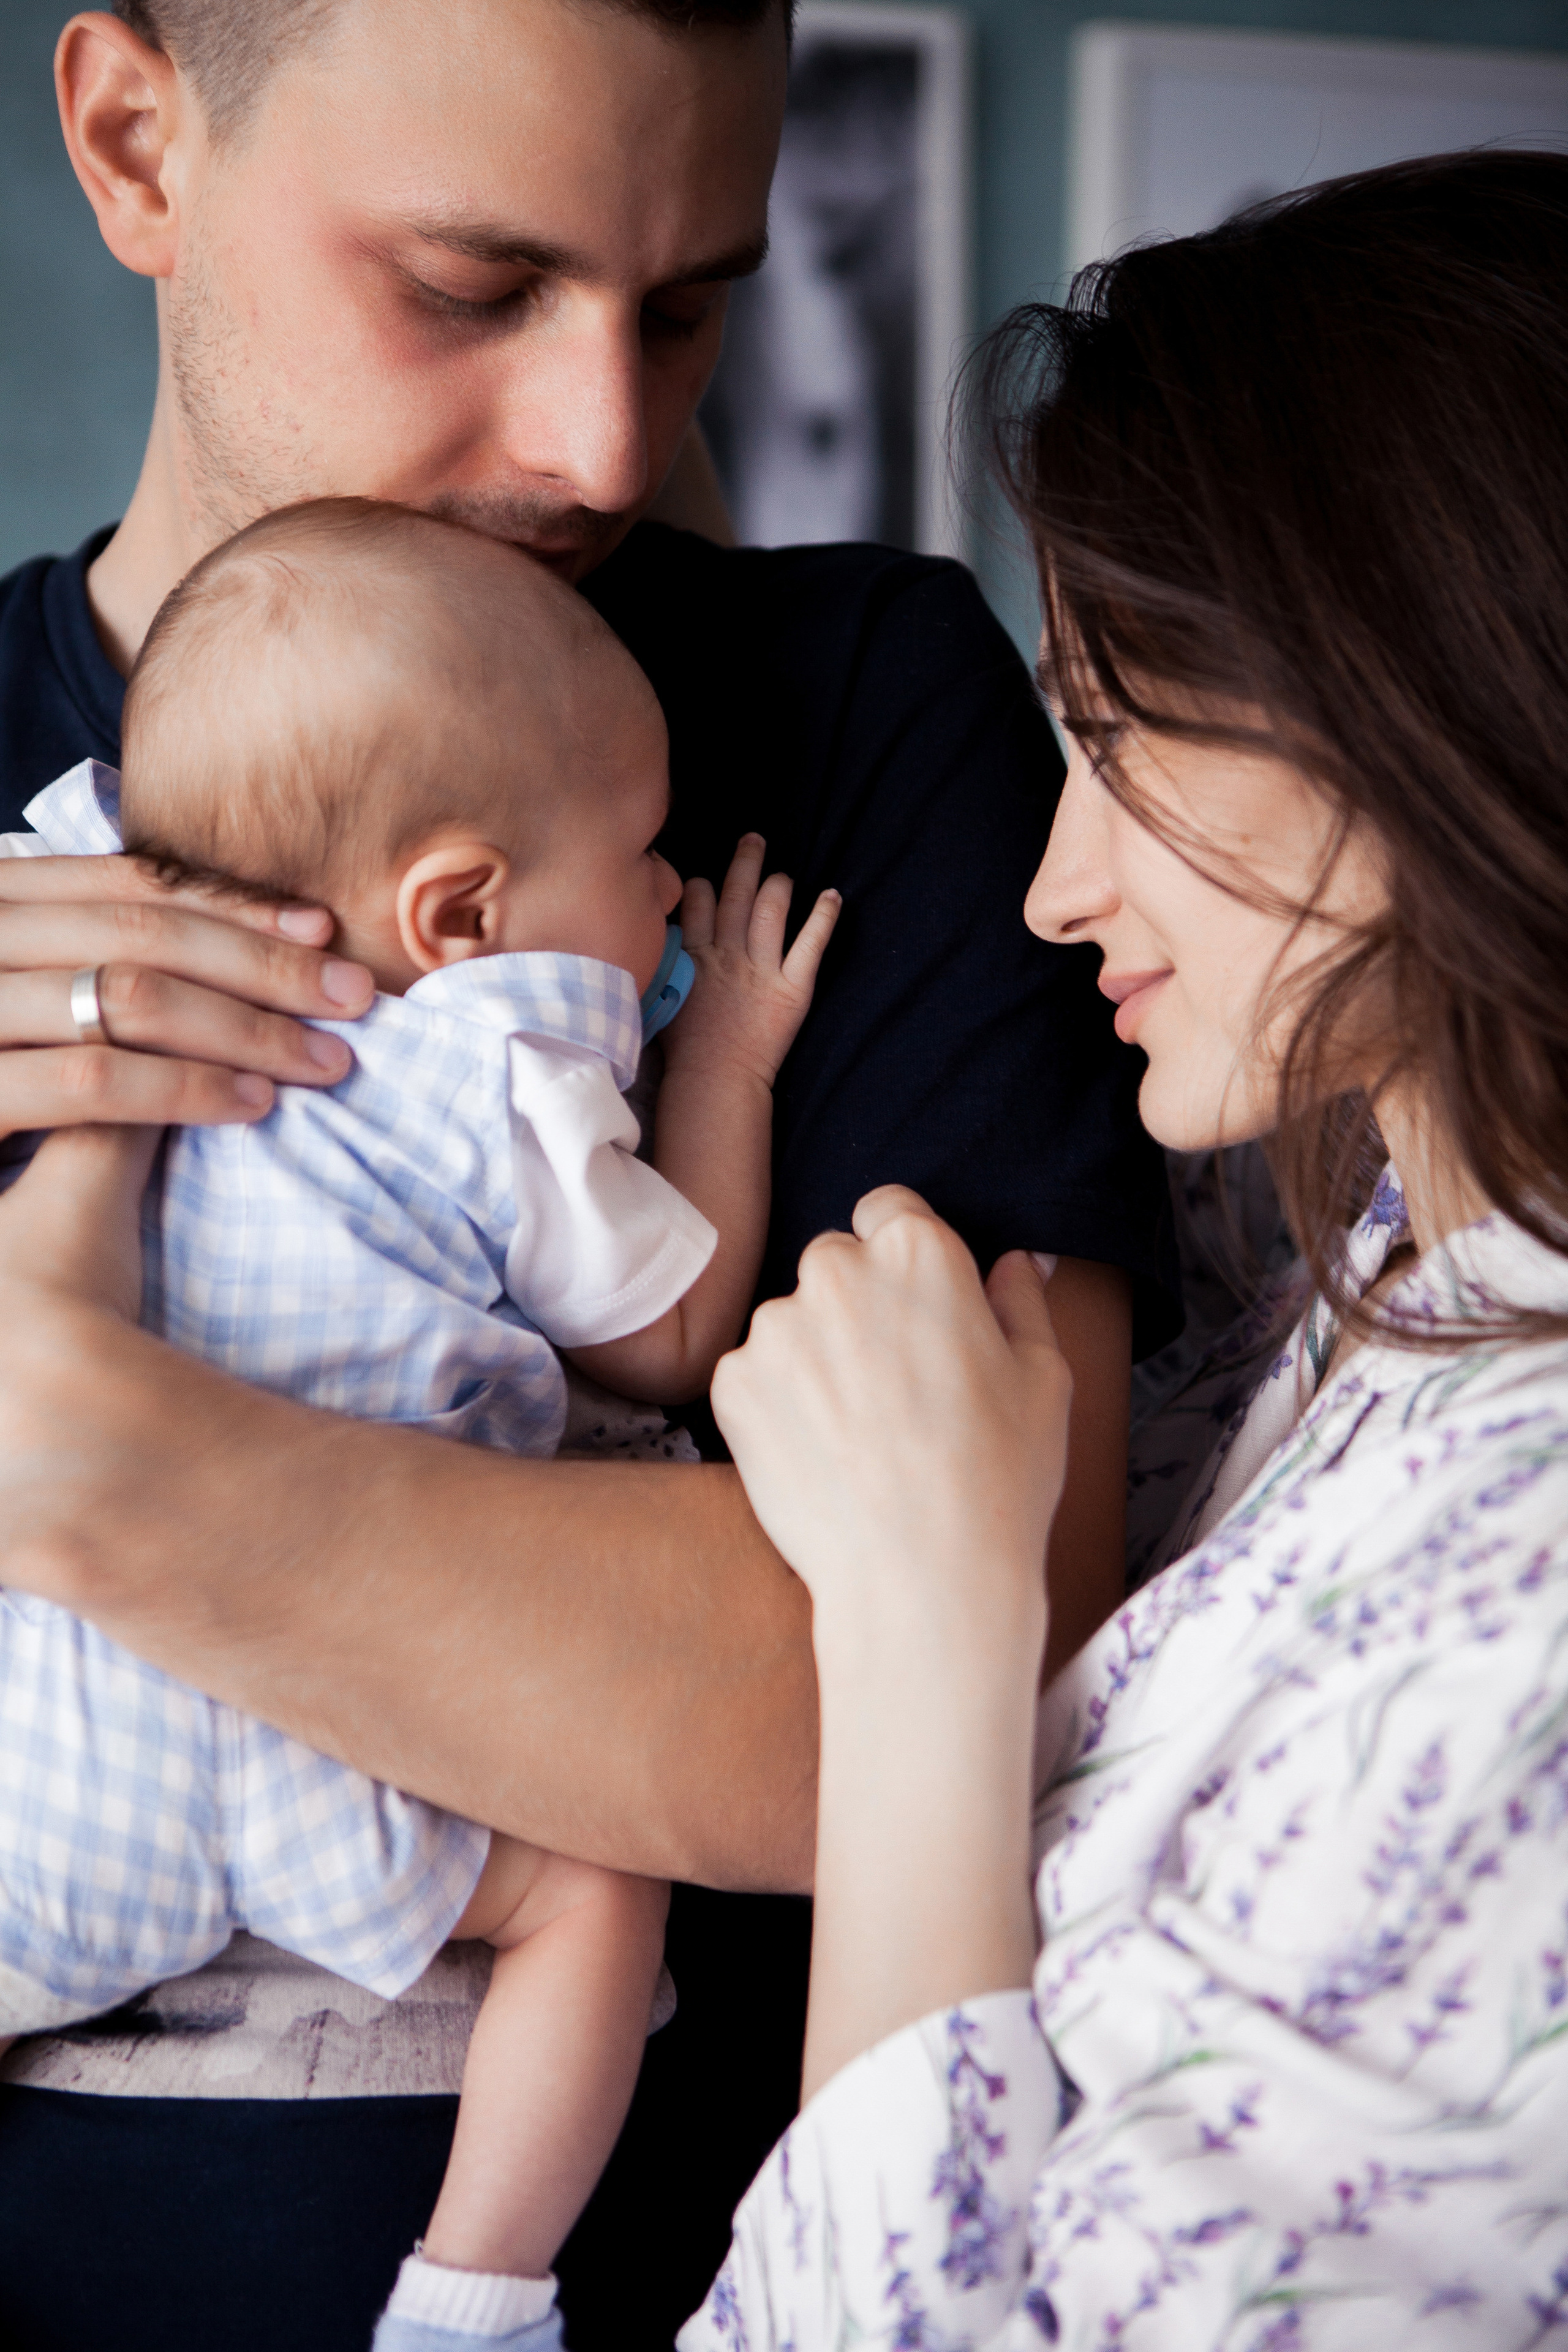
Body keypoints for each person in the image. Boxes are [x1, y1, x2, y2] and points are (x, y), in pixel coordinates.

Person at [0, 0, 1172, 2343]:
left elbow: (939, 1692)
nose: (607, 440)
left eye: (687, 300)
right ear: (139, 148)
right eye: (471, 284)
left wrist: (93, 1470)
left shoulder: (859, 721)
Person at [674, 149, 1568, 2345]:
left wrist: (928, 1636)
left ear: (1417, 679)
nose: (1053, 884)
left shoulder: (1520, 1628)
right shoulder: (1359, 1249)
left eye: (1122, 725)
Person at [2, 494, 840, 2352]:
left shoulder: (90, 911)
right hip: (350, 1750)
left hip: (60, 1751)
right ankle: (476, 2293)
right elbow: (670, 1337)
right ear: (460, 910)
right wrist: (734, 1058)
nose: (665, 891)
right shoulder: (494, 1062)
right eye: (639, 852)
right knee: (593, 1900)